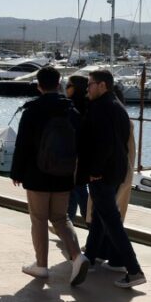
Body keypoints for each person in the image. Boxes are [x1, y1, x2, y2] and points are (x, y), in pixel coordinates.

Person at [9, 66, 88, 286]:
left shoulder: (32, 110)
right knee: (61, 218)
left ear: (39, 85)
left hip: (37, 174)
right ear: (59, 82)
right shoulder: (71, 110)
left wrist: (16, 172)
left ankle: (41, 265)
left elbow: (22, 144)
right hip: (64, 174)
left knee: (39, 219)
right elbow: (80, 144)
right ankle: (77, 256)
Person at [79, 70, 147, 288]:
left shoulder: (100, 108)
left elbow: (104, 143)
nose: (87, 88)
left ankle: (134, 270)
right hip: (116, 172)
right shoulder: (118, 107)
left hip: (102, 173)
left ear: (102, 85)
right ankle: (89, 258)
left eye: (90, 84)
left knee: (112, 223)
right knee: (100, 217)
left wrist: (95, 170)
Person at [65, 74, 90, 223]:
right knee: (75, 190)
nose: (66, 88)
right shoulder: (89, 105)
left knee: (77, 190)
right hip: (85, 155)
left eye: (68, 86)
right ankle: (68, 222)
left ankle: (73, 223)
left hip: (75, 156)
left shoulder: (71, 108)